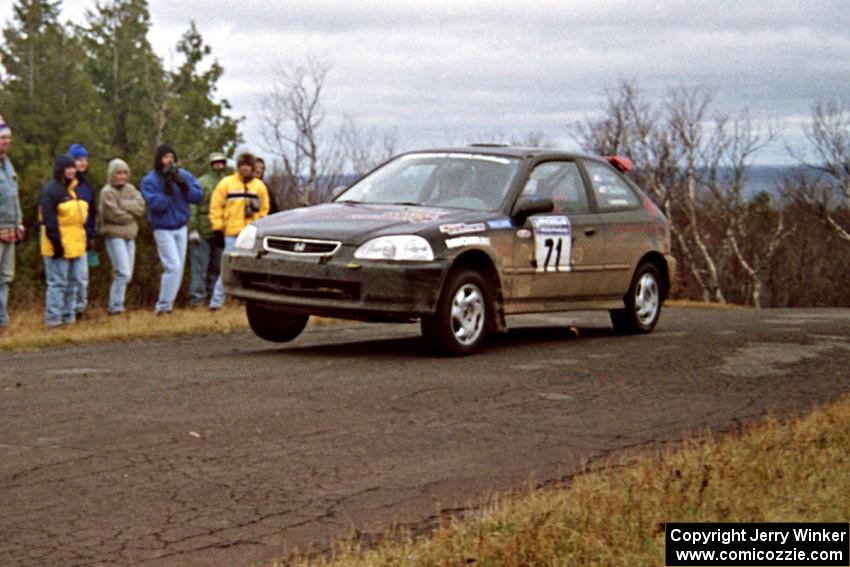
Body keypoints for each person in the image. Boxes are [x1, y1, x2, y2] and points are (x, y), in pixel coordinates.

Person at [140, 145, 203, 315]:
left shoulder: (182, 174)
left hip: (181, 226)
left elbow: (197, 197)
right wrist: (167, 190)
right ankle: (163, 306)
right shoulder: (150, 180)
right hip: (162, 227)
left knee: (179, 268)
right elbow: (155, 205)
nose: (169, 160)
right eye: (166, 157)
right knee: (173, 266)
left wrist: (183, 186)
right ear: (159, 159)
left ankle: (168, 307)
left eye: (172, 156)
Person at [208, 152, 270, 310]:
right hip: (231, 233)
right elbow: (216, 206)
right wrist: (217, 228)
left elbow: (265, 209)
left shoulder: (259, 186)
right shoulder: (226, 183)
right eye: (243, 166)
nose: (245, 169)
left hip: (251, 235)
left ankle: (247, 301)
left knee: (251, 269)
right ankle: (216, 302)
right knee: (228, 268)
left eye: (248, 166)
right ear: (238, 167)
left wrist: (259, 227)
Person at [39, 155, 88, 327]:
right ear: (60, 169)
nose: (72, 171)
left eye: (73, 167)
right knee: (58, 283)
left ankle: (69, 318)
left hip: (75, 245)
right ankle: (53, 320)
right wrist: (57, 244)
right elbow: (49, 220)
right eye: (68, 168)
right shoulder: (50, 191)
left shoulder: (73, 191)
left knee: (73, 283)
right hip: (57, 245)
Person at [98, 159, 145, 314]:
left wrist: (123, 205)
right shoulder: (107, 192)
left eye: (125, 172)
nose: (122, 176)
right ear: (112, 173)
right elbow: (113, 214)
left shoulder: (131, 189)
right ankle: (116, 306)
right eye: (119, 172)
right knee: (122, 271)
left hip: (130, 236)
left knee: (127, 274)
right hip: (114, 235)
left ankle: (117, 304)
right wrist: (130, 213)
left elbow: (140, 207)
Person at [188, 152, 228, 306]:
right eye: (216, 163)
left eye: (221, 163)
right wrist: (193, 228)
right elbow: (193, 206)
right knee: (199, 269)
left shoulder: (227, 183)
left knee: (217, 268)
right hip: (202, 230)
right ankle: (196, 300)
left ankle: (213, 299)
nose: (219, 166)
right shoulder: (201, 182)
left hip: (221, 231)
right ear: (211, 164)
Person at [67, 143, 96, 319]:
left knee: (82, 277)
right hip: (67, 237)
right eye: (78, 160)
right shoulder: (64, 185)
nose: (82, 163)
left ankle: (80, 309)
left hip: (84, 237)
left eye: (85, 159)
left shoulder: (87, 186)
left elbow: (92, 214)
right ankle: (67, 310)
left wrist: (91, 234)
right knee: (69, 278)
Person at [0, 116, 23, 333]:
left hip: (10, 229)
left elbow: (13, 197)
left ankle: (2, 322)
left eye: (8, 138)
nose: (6, 141)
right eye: (2, 138)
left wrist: (19, 221)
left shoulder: (8, 165)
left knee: (5, 277)